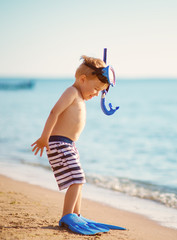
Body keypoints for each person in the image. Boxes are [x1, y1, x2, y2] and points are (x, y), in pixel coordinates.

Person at [31, 55, 118, 234]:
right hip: (59, 144)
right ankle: (67, 215)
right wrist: (44, 137)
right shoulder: (71, 92)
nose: (95, 94)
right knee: (77, 179)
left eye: (99, 92)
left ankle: (75, 214)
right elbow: (54, 112)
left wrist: (99, 87)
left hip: (69, 145)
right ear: (83, 79)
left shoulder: (80, 95)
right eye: (95, 89)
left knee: (79, 180)